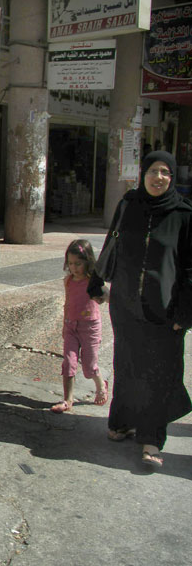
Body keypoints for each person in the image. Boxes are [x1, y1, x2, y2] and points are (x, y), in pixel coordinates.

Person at [89, 151, 192, 467]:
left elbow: (189, 270)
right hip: (126, 306)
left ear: (172, 178)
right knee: (129, 366)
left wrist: (184, 315)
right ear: (142, 174)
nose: (158, 178)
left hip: (165, 312)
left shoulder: (183, 215)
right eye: (153, 171)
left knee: (159, 375)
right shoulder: (129, 205)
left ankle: (151, 439)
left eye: (165, 172)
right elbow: (112, 244)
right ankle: (122, 421)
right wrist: (96, 280)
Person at [51, 239, 108, 414]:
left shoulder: (93, 281)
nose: (74, 267)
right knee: (68, 362)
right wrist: (64, 325)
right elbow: (67, 303)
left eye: (78, 263)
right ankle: (68, 399)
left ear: (88, 262)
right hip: (70, 326)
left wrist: (102, 293)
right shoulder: (68, 281)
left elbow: (105, 296)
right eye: (70, 263)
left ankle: (100, 384)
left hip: (89, 327)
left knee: (89, 367)